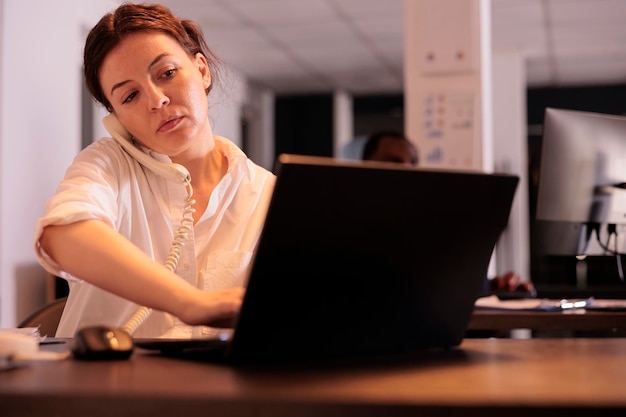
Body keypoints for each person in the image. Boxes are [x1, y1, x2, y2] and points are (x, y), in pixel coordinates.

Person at [33, 3, 276, 338]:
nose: (156, 100)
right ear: (117, 117)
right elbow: (62, 234)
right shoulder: (108, 163)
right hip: (108, 386)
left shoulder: (269, 195)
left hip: (225, 388)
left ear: (202, 70)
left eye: (167, 73)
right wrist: (189, 303)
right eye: (130, 95)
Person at [361, 130, 535, 296]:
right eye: (394, 161)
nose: (407, 168)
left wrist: (491, 289)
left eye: (413, 162)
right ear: (366, 165)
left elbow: (441, 288)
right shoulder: (356, 226)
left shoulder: (429, 224)